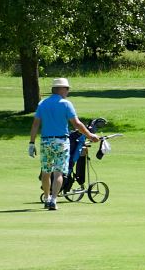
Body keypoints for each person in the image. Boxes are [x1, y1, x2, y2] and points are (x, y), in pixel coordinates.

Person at [27, 77, 100, 211]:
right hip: (61, 141)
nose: (67, 91)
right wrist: (90, 135)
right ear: (60, 89)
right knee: (59, 172)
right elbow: (76, 124)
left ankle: (47, 198)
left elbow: (35, 124)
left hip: (46, 141)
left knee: (46, 172)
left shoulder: (43, 103)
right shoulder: (66, 104)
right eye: (66, 89)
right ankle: (54, 200)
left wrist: (31, 143)